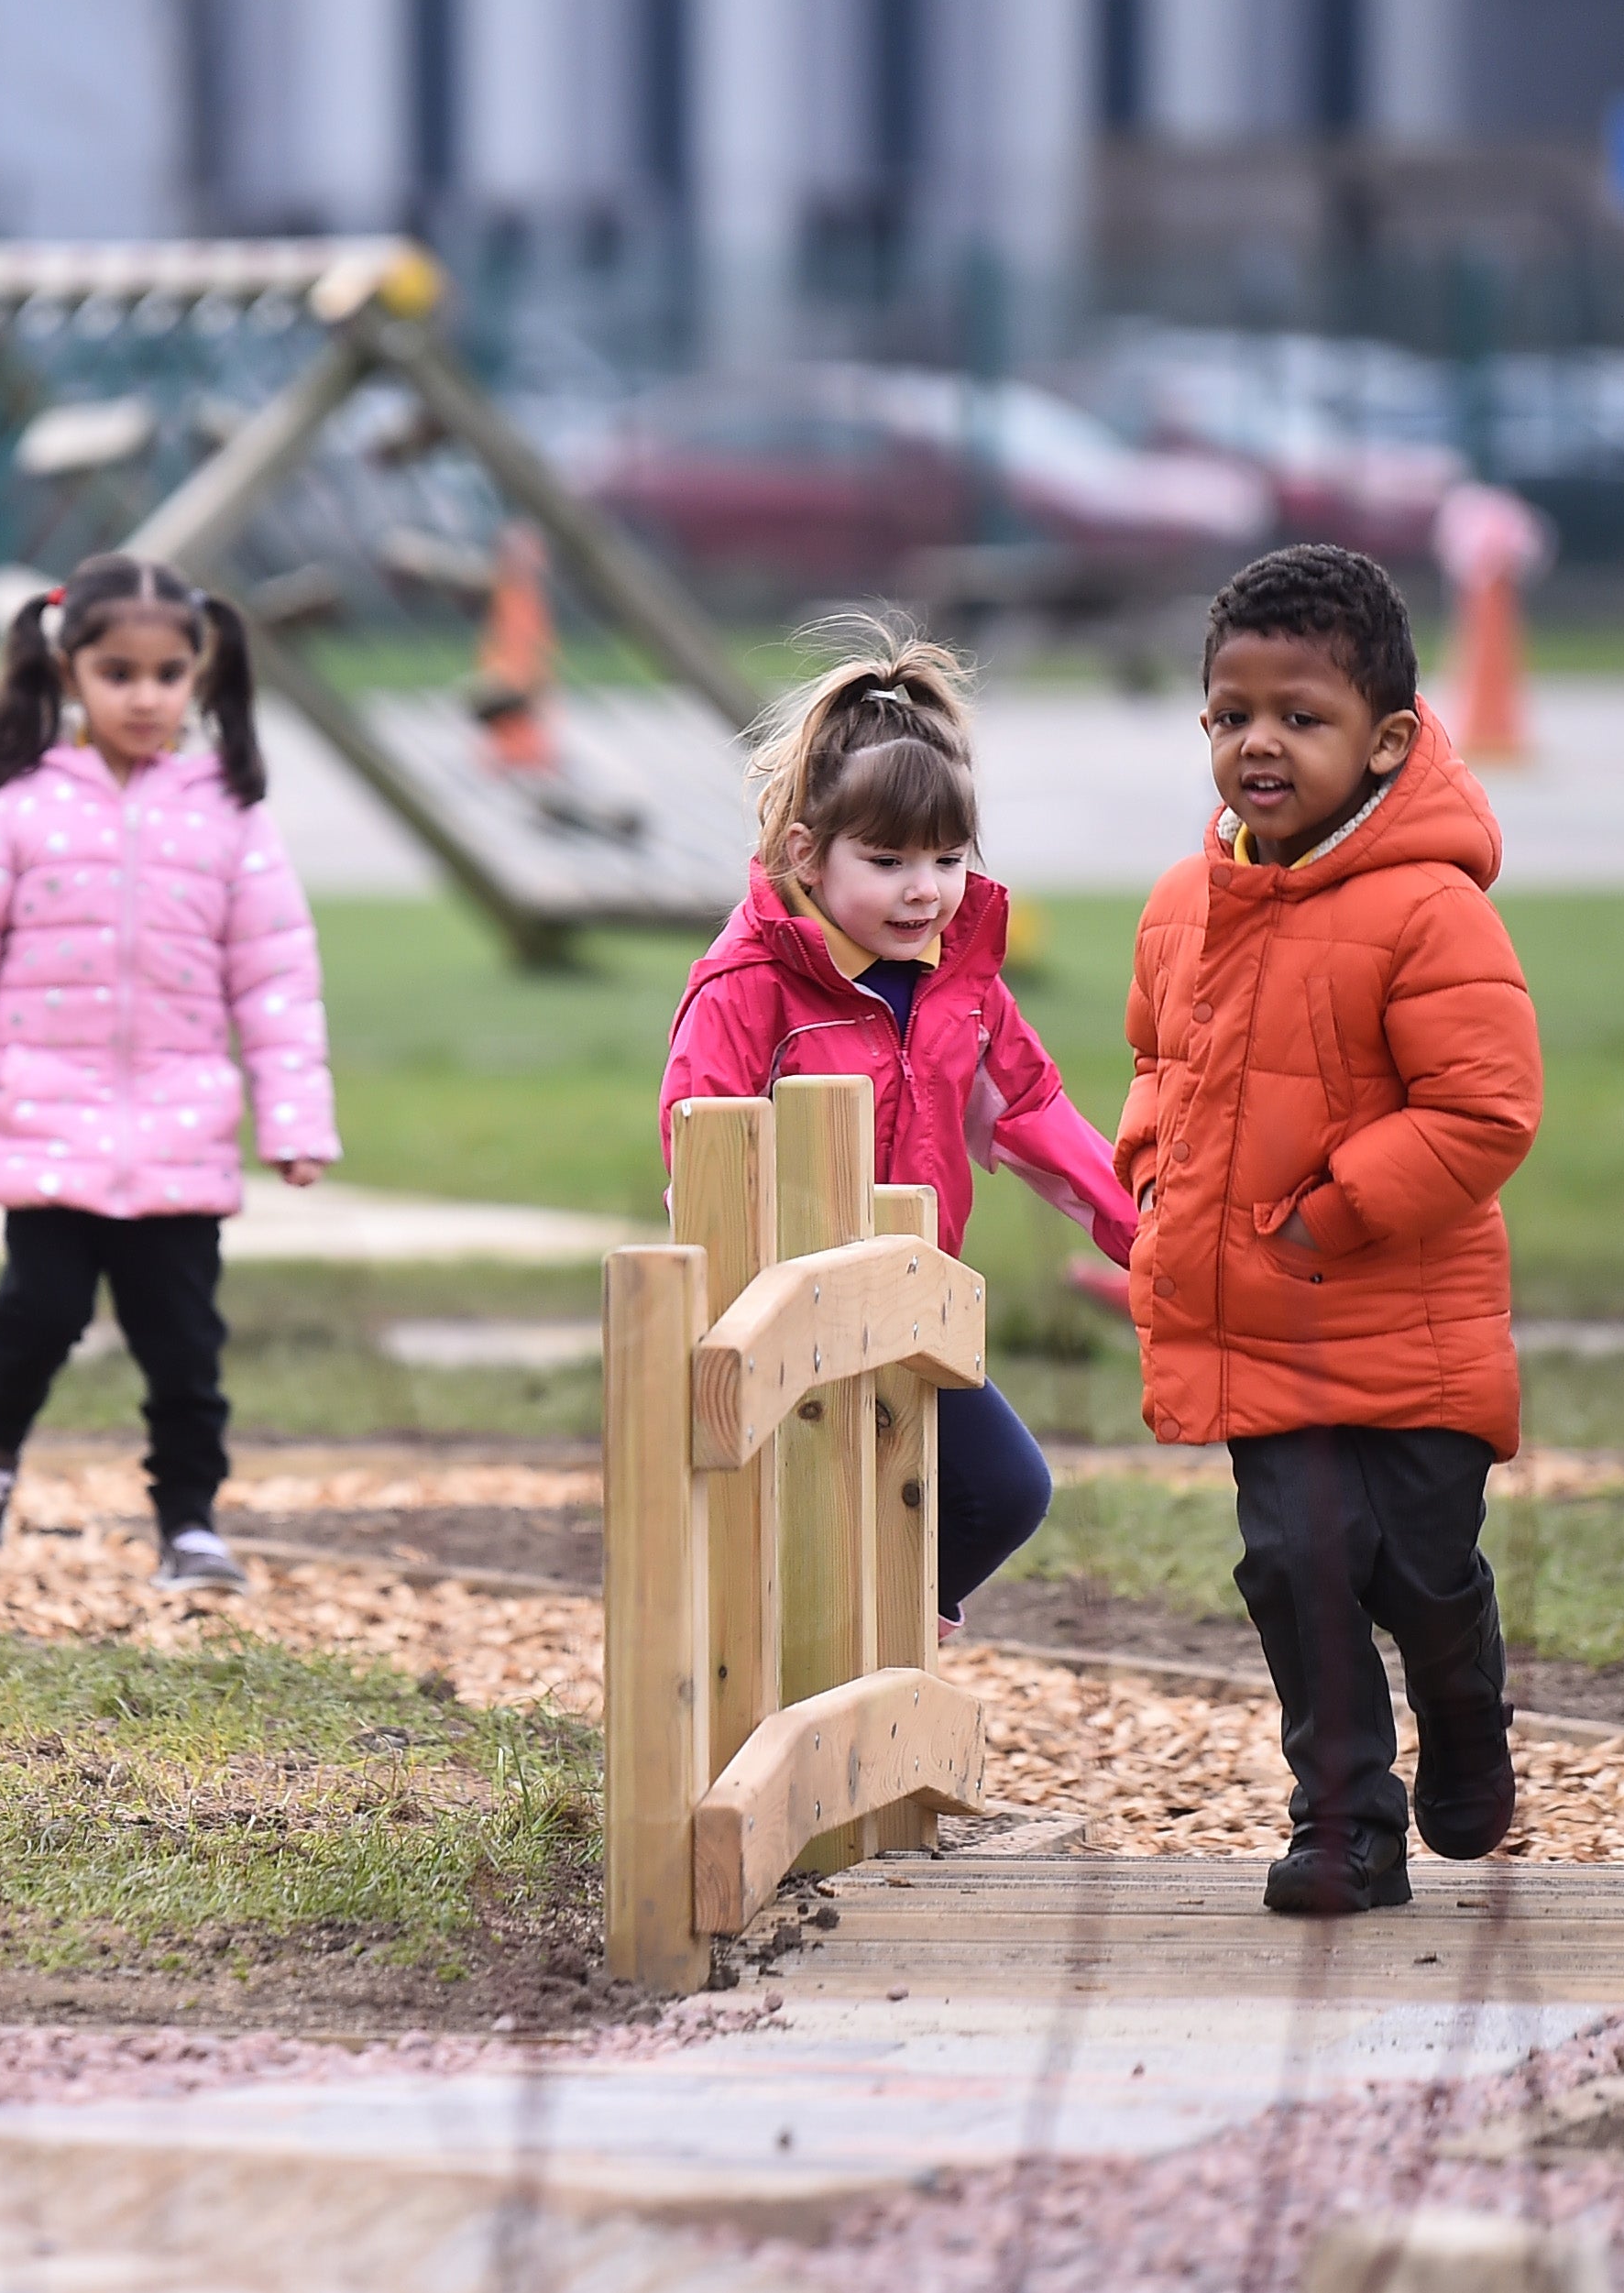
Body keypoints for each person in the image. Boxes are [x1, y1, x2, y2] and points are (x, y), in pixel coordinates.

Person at [1116, 543, 1542, 1918]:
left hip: (1405, 1327)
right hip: (1261, 1324)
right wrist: (1145, 1164)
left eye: (1301, 719)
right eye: (1232, 715)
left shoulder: (1427, 907)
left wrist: (1327, 1212)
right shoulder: (1185, 904)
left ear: (1385, 742)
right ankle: (1344, 1823)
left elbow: (1482, 1111)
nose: (1260, 744)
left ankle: (1464, 1722)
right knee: (1296, 1565)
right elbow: (1153, 1062)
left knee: (1414, 1572)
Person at [655, 630, 1136, 1642]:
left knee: (1001, 1491)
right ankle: (805, 1659)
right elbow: (695, 1153)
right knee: (788, 1532)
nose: (925, 889)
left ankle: (877, 1639)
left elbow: (1035, 1115)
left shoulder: (961, 987)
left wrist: (1151, 1238)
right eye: (886, 861)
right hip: (776, 1327)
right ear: (805, 856)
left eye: (947, 859)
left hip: (910, 1314)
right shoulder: (747, 987)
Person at [0, 553, 335, 1596]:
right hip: (40, 1121)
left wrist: (294, 1118)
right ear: (68, 672)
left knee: (182, 1344)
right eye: (118, 673)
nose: (145, 696)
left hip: (179, 1132)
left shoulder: (230, 816)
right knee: (39, 1314)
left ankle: (189, 1523)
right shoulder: (12, 808)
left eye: (167, 673)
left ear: (198, 674)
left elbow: (274, 976)